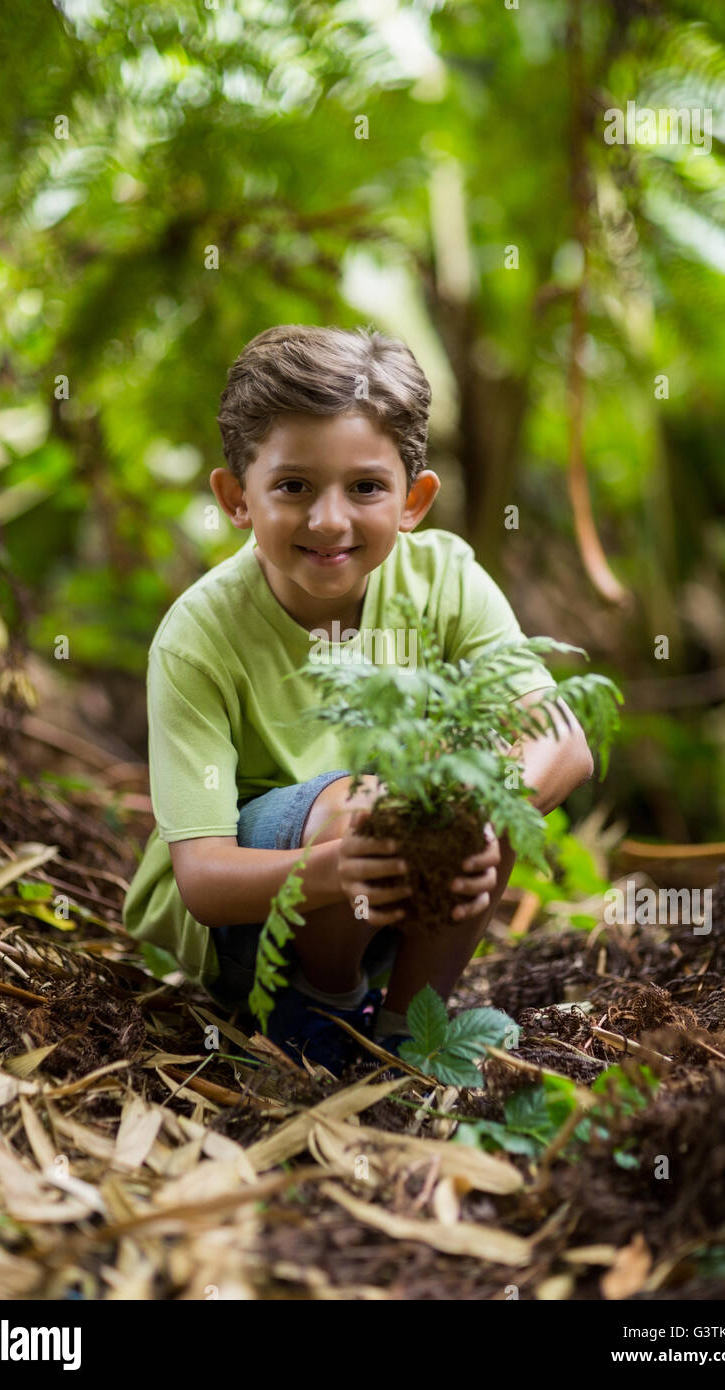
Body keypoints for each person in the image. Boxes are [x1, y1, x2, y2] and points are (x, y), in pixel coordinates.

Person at [122, 324, 594, 1075]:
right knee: (365, 803)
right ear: (236, 498)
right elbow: (204, 879)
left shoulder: (444, 579)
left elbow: (562, 741)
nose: (330, 520)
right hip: (250, 930)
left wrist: (474, 814)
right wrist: (342, 869)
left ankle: (412, 1032)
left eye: (366, 487)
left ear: (413, 500)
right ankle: (323, 1006)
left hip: (392, 900)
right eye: (293, 487)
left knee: (482, 790)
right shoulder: (198, 637)